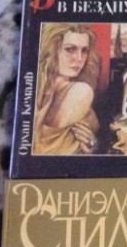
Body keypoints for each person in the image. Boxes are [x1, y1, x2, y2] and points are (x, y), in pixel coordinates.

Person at [33, 23, 99, 155]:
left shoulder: (80, 91)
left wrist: (91, 149)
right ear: (51, 50)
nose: (79, 58)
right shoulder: (35, 86)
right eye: (70, 49)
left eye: (84, 50)